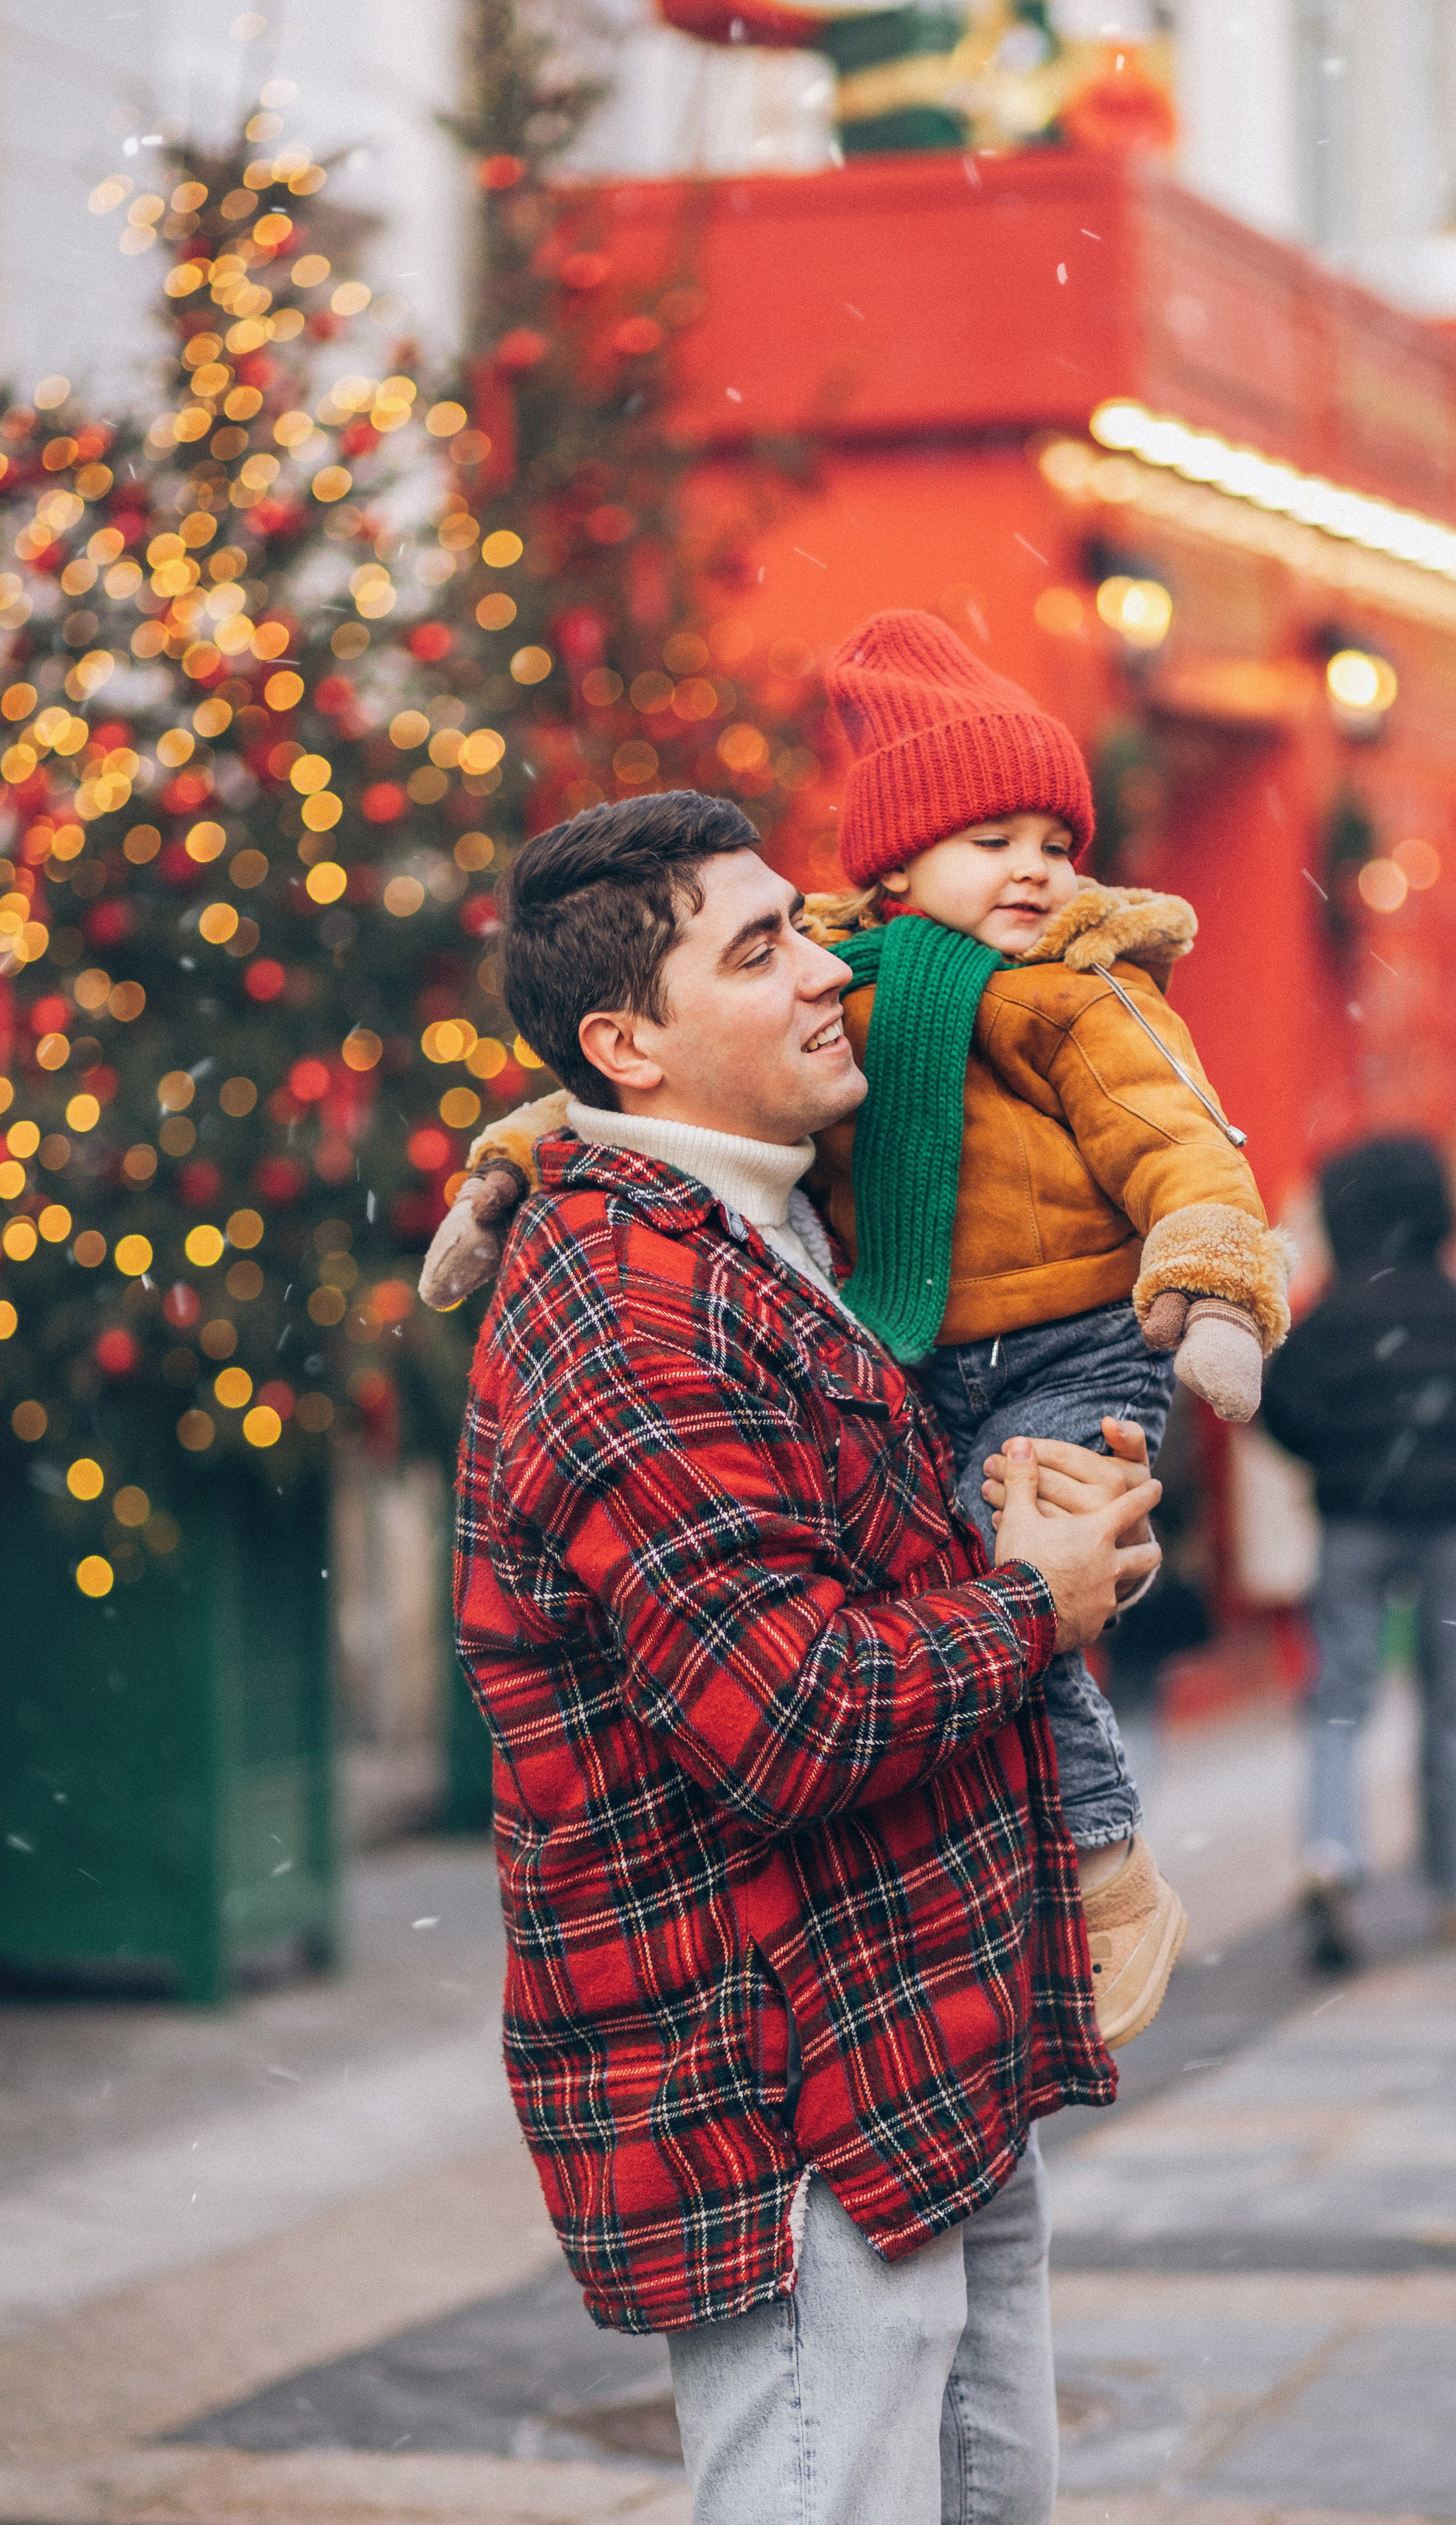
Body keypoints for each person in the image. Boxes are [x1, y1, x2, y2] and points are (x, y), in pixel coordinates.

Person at [427, 612, 1291, 2047]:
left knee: (1005, 1532)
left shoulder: (1055, 1006)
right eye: (988, 841)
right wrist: (497, 1178)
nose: (1031, 870)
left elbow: (1177, 1146)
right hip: (753, 2036)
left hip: (1069, 1347)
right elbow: (795, 1709)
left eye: (1051, 844)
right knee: (994, 1548)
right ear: (890, 869)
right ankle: (1092, 1853)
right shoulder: (646, 1291)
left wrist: (1208, 1298)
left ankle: (1085, 1856)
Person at [454, 788, 1161, 2523]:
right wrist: (1031, 1605)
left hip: (910, 2031)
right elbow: (786, 1716)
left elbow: (867, 1571)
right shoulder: (624, 1304)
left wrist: (1056, 1535)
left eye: (806, 924)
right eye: (759, 950)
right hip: (771, 2075)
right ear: (627, 1044)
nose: (830, 971)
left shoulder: (779, 1224)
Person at [1260, 1133, 1456, 1973]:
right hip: (1452, 1528)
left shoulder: (1331, 1317)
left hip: (1354, 1527)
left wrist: (1342, 1465)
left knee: (1339, 1696)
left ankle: (1332, 1851)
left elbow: (1279, 1409)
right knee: (1447, 1707)